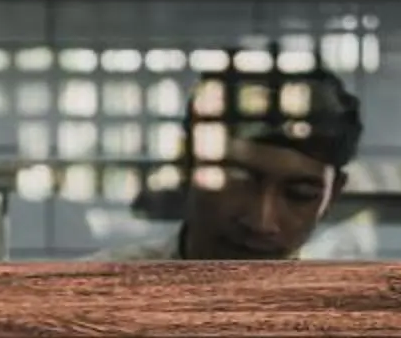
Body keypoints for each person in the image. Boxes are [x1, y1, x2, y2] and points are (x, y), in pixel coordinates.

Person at [106, 67, 364, 260]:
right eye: (236, 181)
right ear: (186, 166)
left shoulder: (350, 317)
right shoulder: (97, 298)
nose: (261, 222)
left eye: (300, 195)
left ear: (332, 196)